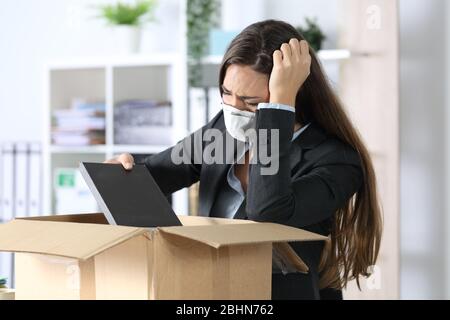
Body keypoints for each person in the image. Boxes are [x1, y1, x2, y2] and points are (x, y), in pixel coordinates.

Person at [105, 19, 382, 300]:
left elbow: (267, 212)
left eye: (251, 102)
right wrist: (121, 174)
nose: (234, 111)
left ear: (292, 95)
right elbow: (151, 178)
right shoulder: (220, 133)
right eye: (226, 93)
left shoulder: (337, 161)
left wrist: (278, 108)